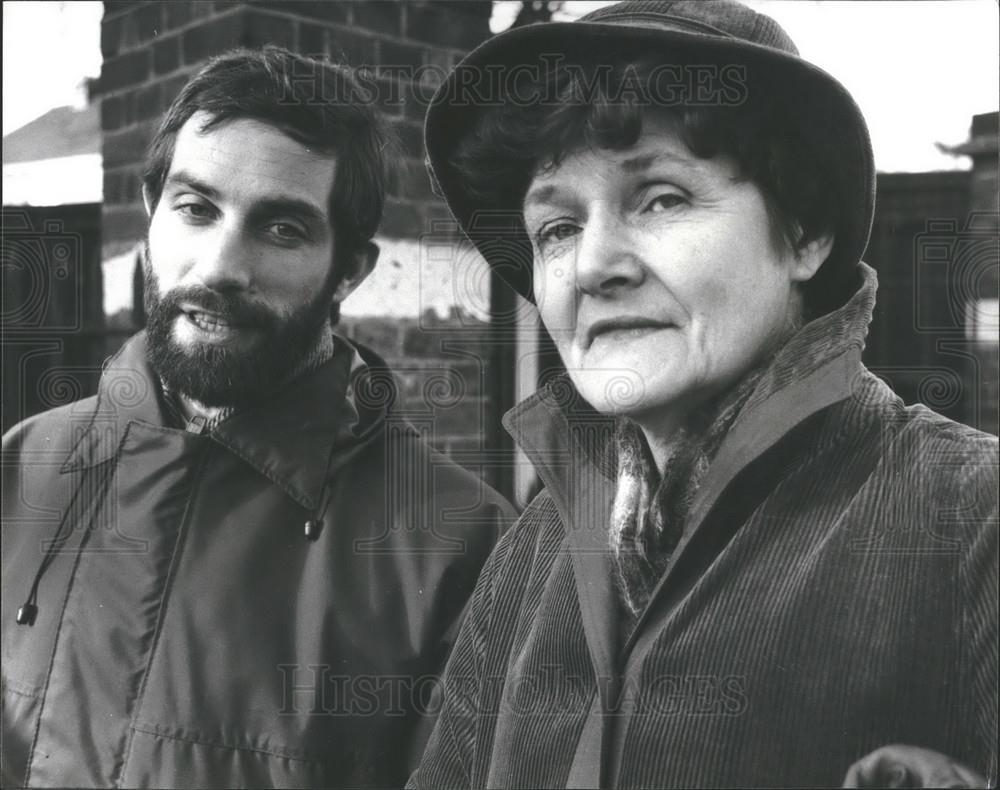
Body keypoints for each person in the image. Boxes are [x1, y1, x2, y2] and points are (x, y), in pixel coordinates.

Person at [411, 2, 998, 787]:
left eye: (661, 199)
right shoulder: (531, 550)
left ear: (802, 233)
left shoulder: (973, 522)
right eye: (555, 228)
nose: (592, 266)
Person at [1, 46, 514, 789]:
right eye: (195, 208)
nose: (218, 267)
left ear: (350, 271)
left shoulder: (461, 549)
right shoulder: (22, 468)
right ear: (151, 215)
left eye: (281, 230)